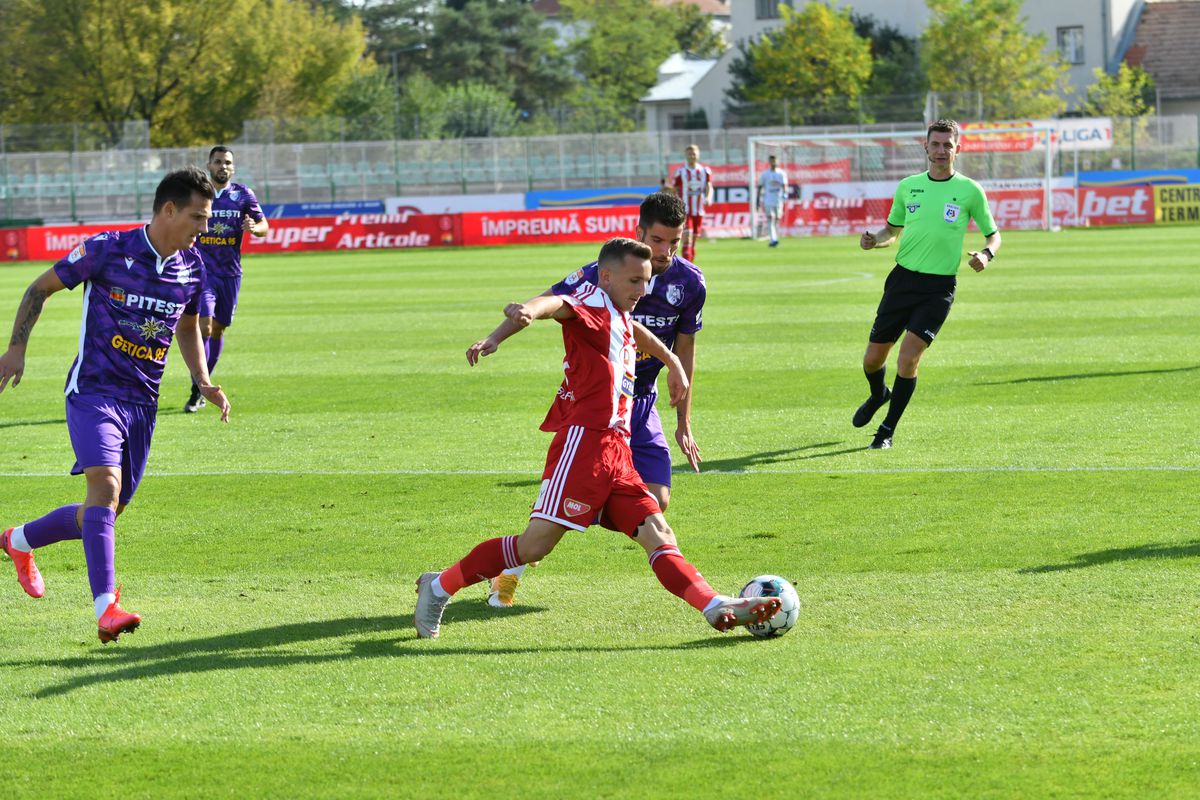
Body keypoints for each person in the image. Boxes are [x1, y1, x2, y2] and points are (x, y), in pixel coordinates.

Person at [412, 238, 781, 639]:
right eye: (634, 281)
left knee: (659, 534)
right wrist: (521, 316)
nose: (642, 291)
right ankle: (438, 587)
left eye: (646, 281)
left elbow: (633, 332)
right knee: (534, 546)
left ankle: (713, 604)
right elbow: (557, 305)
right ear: (606, 276)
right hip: (584, 445)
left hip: (617, 451)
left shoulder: (619, 311)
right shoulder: (589, 301)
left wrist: (671, 359)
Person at [0, 167, 231, 643]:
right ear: (168, 209)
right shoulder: (108, 248)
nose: (204, 228)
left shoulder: (193, 266)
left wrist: (202, 379)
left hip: (143, 403)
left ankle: (17, 541)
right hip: (93, 392)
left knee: (104, 511)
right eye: (197, 217)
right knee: (104, 488)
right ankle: (107, 609)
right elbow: (38, 287)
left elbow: (187, 327)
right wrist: (16, 347)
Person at [484, 192, 705, 608]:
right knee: (564, 512)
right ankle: (513, 564)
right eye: (658, 240)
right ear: (639, 232)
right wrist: (499, 334)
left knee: (657, 500)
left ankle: (569, 507)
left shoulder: (690, 282)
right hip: (594, 405)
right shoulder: (603, 272)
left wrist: (684, 420)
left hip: (641, 404)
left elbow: (685, 349)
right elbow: (549, 301)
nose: (665, 252)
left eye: (674, 242)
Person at [854, 119, 1001, 449]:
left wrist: (987, 255)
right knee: (872, 360)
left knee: (908, 359)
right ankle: (878, 393)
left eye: (947, 145)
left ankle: (887, 430)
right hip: (902, 281)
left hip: (938, 289)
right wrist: (872, 241)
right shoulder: (909, 187)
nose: (940, 151)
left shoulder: (969, 190)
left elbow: (994, 234)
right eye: (935, 144)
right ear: (925, 147)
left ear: (957, 150)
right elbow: (891, 231)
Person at [183, 146, 268, 413]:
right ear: (209, 165)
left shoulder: (243, 195)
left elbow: (264, 226)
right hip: (202, 272)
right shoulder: (199, 194)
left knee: (218, 329)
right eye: (218, 161)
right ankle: (201, 384)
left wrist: (255, 228)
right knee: (205, 327)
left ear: (233, 167)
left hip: (230, 273)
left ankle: (200, 385)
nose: (223, 166)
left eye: (228, 162)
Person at [672, 144, 713, 262]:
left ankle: (690, 264)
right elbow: (674, 189)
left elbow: (709, 186)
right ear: (686, 155)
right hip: (685, 210)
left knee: (694, 240)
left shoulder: (704, 171)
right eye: (689, 154)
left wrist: (709, 197)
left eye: (694, 153)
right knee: (687, 238)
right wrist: (675, 203)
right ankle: (686, 266)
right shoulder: (680, 172)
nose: (692, 156)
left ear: (698, 155)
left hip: (699, 210)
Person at [757, 155, 789, 247]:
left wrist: (785, 194)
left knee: (777, 219)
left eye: (775, 161)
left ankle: (774, 236)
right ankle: (773, 239)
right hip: (768, 200)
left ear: (777, 162)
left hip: (778, 200)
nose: (773, 163)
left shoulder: (781, 174)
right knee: (770, 218)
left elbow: (785, 185)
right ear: (769, 163)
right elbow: (760, 187)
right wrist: (757, 201)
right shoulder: (765, 174)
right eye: (771, 161)